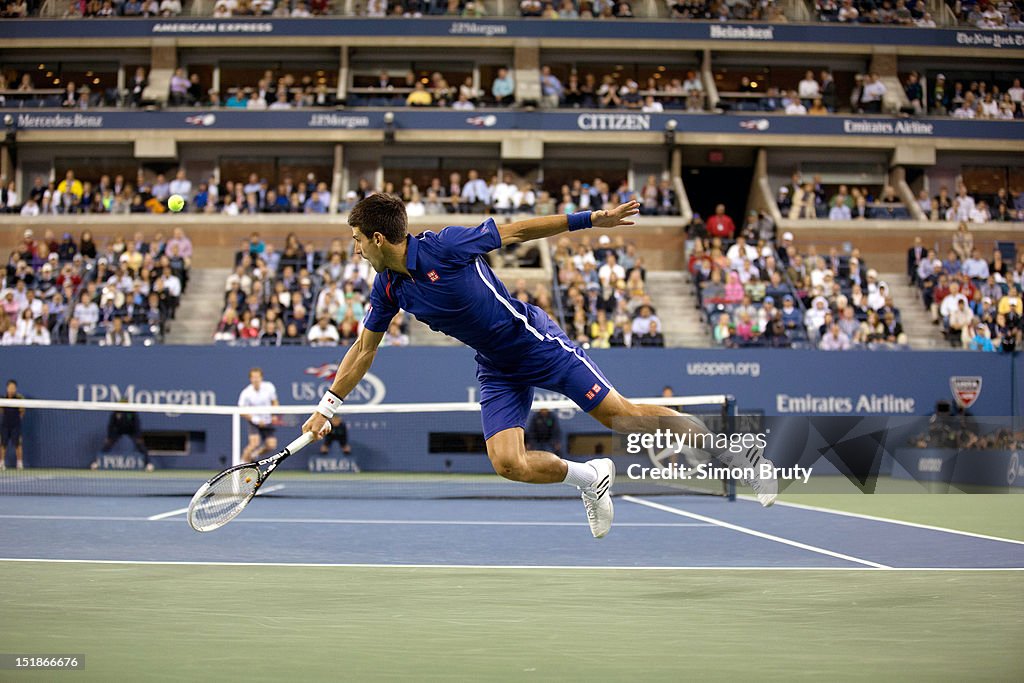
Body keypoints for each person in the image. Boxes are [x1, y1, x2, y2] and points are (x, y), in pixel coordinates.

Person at [301, 194, 776, 540]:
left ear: (379, 237)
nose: (356, 250)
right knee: (508, 463)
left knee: (623, 418)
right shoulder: (387, 289)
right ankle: (590, 479)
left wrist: (592, 219)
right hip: (496, 367)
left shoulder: (444, 246)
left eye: (358, 241)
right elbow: (364, 349)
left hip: (535, 344)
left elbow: (518, 231)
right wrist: (327, 405)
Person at [239, 367, 279, 463]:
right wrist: (256, 419)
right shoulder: (246, 393)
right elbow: (241, 411)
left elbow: (275, 402)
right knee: (254, 443)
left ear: (261, 378)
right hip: (254, 422)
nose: (256, 379)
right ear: (250, 379)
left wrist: (274, 415)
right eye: (254, 377)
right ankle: (240, 464)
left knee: (271, 445)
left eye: (258, 377)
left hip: (267, 421)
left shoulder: (269, 387)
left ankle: (254, 455)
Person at [99, 399, 151, 471]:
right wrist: (109, 437)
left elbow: (137, 425)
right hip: (119, 431)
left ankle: (148, 463)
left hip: (131, 431)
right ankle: (97, 462)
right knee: (108, 444)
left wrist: (139, 437)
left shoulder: (132, 412)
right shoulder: (116, 412)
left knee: (140, 445)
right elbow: (111, 425)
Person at [1, 379, 25, 470]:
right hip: (5, 425)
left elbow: (22, 411)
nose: (11, 389)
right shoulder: (3, 398)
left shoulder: (19, 398)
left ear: (16, 388)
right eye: (10, 387)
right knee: (3, 444)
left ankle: (19, 463)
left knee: (18, 444)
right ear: (7, 388)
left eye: (13, 387)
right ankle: (2, 463)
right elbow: (2, 410)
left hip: (15, 425)